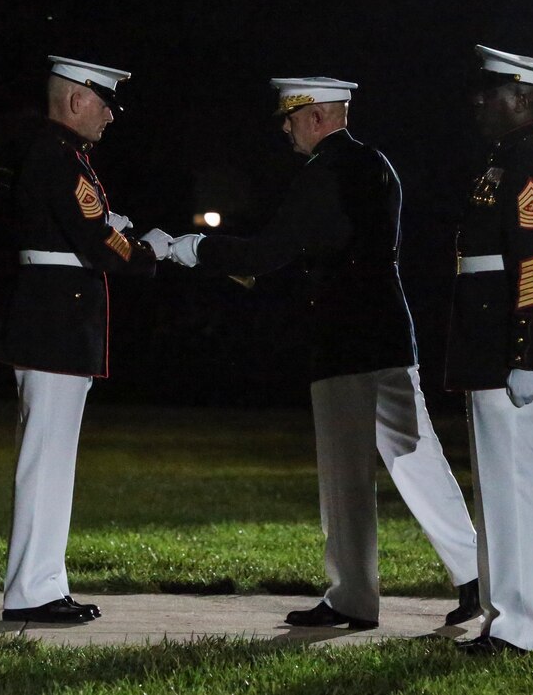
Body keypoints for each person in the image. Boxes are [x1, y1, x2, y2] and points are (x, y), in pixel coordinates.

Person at [168, 76, 480, 629]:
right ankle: (476, 577)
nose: (285, 130)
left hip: (343, 338)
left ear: (315, 117)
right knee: (417, 459)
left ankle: (352, 598)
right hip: (387, 331)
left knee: (346, 475)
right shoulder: (377, 165)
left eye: (290, 119)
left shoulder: (324, 172)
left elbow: (272, 250)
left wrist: (191, 249)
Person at [0, 55, 171, 623]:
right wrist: (150, 254)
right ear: (76, 100)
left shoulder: (57, 154)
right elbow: (96, 242)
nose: (112, 116)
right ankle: (32, 591)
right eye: (106, 103)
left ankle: (44, 582)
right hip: (55, 324)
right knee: (46, 460)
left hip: (52, 321)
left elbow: (87, 228)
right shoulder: (59, 157)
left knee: (50, 459)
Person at [445, 45, 533, 655]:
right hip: (490, 339)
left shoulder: (530, 160)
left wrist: (526, 353)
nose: (478, 99)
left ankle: (526, 629)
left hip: (511, 344)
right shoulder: (507, 157)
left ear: (523, 98)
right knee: (498, 489)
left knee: (516, 490)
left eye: (491, 90)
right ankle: (508, 620)